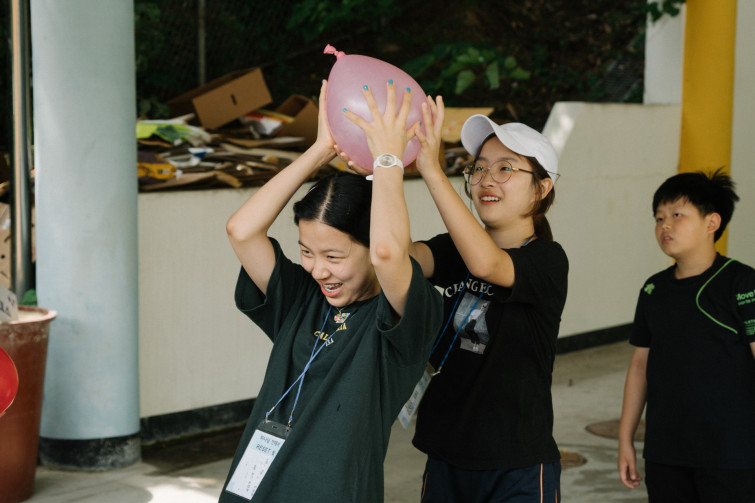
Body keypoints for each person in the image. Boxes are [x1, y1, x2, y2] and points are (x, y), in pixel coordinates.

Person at [220, 80, 443, 503]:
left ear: (369, 247)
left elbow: (388, 253)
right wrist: (321, 149)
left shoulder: (405, 317)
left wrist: (388, 160)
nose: (318, 270)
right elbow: (241, 230)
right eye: (306, 252)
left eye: (334, 256)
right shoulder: (301, 297)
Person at [348, 91, 568, 501]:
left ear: (541, 188)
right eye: (479, 168)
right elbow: (394, 255)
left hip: (516, 463)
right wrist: (382, 171)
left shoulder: (547, 260)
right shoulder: (454, 249)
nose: (486, 179)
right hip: (446, 453)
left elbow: (488, 265)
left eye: (505, 168)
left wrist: (431, 170)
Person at [617, 169, 755, 502]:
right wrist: (625, 439)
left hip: (731, 454)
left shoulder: (741, 282)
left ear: (712, 222)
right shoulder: (653, 289)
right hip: (666, 452)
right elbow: (640, 366)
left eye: (677, 215)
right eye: (659, 217)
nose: (665, 225)